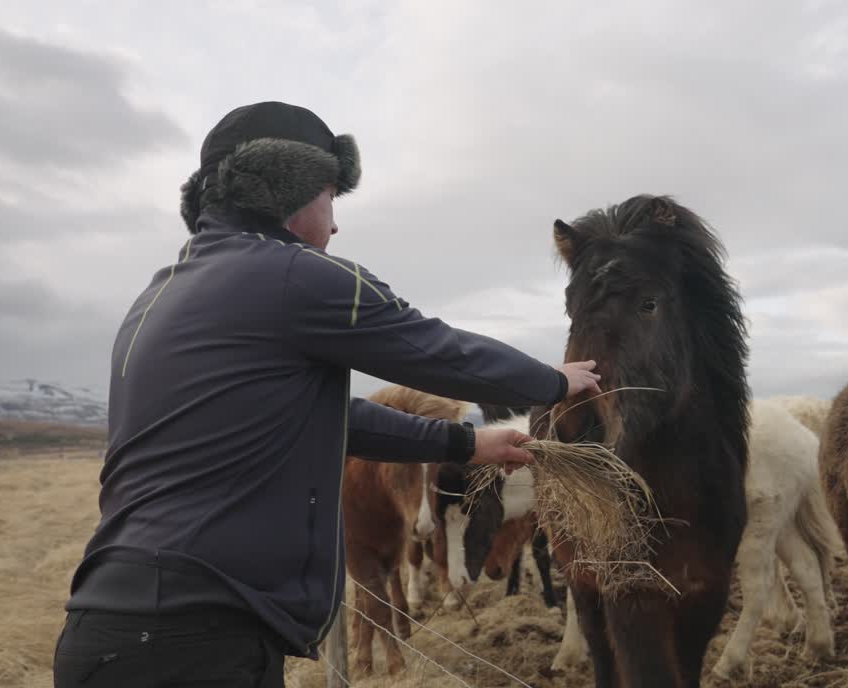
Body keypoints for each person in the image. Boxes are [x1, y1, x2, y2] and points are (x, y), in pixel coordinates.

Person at [51, 101, 601, 687]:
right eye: (331, 196)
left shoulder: (158, 297)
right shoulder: (293, 274)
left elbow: (337, 419)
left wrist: (467, 444)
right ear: (286, 187)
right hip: (195, 643)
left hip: (107, 629)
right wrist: (554, 382)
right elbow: (437, 350)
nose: (335, 225)